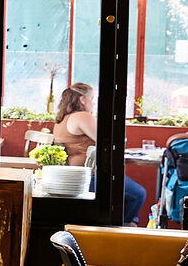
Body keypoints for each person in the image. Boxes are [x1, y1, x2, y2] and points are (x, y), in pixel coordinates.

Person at [50, 83, 145, 224]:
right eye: (92, 99)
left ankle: (121, 224)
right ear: (82, 99)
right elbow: (113, 141)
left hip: (71, 176)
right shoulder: (82, 116)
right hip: (87, 178)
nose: (93, 103)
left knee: (131, 194)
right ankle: (119, 229)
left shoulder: (63, 118)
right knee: (138, 194)